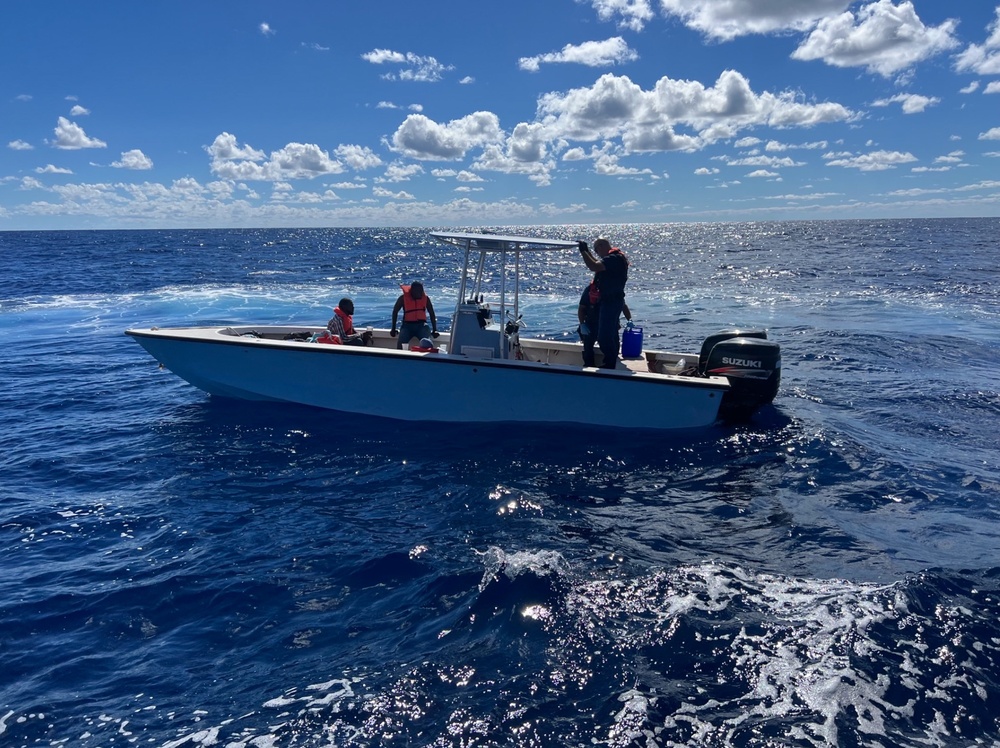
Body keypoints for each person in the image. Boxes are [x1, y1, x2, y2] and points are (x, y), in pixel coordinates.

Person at [577, 238, 629, 369]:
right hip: (608, 303)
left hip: (612, 302)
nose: (597, 254)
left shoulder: (614, 259)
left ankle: (610, 364)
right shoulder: (613, 259)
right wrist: (588, 250)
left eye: (596, 250)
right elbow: (596, 262)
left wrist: (583, 252)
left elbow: (594, 266)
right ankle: (604, 362)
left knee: (605, 337)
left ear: (600, 247)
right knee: (603, 334)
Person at [578, 276, 632, 367]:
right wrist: (582, 324)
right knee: (588, 345)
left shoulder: (614, 291)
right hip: (591, 323)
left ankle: (609, 364)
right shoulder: (590, 291)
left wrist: (629, 320)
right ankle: (589, 365)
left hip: (610, 323)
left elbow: (623, 305)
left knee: (613, 346)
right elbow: (581, 309)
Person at [390, 281, 439, 349]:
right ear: (411, 291)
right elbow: (395, 312)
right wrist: (393, 329)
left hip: (422, 326)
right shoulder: (403, 298)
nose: (419, 293)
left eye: (421, 291)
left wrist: (435, 329)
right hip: (407, 326)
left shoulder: (426, 298)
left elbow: (432, 313)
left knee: (428, 345)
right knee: (400, 346)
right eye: (417, 291)